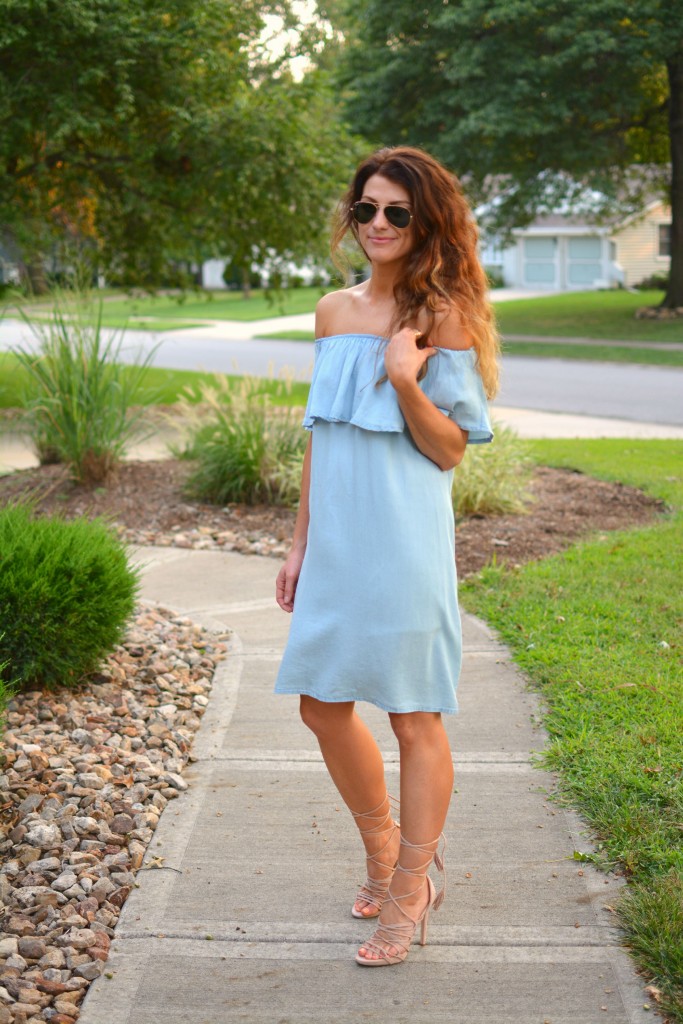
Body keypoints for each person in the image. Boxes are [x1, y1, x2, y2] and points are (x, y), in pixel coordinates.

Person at [274, 145, 499, 967]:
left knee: (412, 716)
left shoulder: (441, 315)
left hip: (403, 540)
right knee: (319, 704)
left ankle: (409, 889)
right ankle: (386, 854)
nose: (377, 224)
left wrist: (405, 381)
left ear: (424, 221)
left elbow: (449, 451)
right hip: (335, 540)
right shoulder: (332, 311)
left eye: (396, 213)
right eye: (366, 208)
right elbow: (319, 439)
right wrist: (299, 543)